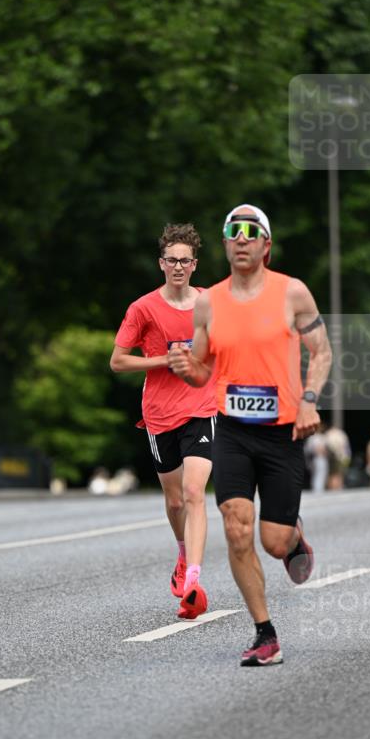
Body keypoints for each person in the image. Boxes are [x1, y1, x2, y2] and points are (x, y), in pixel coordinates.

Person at [169, 204, 332, 667]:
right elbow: (201, 372)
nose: (241, 238)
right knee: (236, 528)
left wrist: (309, 400)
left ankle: (294, 540)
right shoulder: (208, 302)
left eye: (250, 231)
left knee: (272, 543)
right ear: (225, 244)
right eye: (232, 232)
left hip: (282, 432)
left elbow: (321, 352)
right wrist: (186, 368)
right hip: (234, 432)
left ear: (266, 244)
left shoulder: (292, 293)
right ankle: (265, 634)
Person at [110, 223, 217, 620]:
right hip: (159, 412)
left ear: (194, 265)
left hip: (202, 407)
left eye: (184, 261)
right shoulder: (143, 309)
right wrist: (163, 361)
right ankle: (183, 551)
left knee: (194, 493)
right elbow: (117, 360)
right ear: (161, 264)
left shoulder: (211, 302)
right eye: (171, 260)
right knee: (174, 501)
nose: (177, 266)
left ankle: (193, 582)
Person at [324, 424, 351, 489]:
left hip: (333, 457)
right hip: (341, 457)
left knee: (333, 474)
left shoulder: (328, 434)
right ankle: (338, 486)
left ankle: (333, 487)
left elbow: (327, 445)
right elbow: (346, 446)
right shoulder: (341, 434)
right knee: (338, 473)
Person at [304, 422, 329, 493]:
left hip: (313, 459)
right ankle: (318, 490)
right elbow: (319, 449)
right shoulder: (319, 437)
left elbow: (307, 449)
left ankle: (316, 489)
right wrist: (324, 452)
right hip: (319, 458)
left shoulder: (311, 437)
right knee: (320, 474)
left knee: (315, 475)